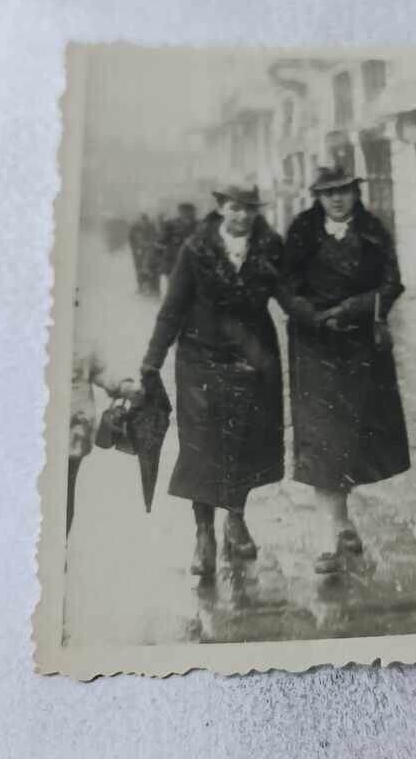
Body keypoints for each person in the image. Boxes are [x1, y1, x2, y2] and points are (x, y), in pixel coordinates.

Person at [140, 184, 284, 575]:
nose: (242, 216)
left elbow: (291, 296)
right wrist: (152, 360)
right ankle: (204, 535)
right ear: (221, 209)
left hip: (252, 357)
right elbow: (172, 310)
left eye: (249, 209)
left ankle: (235, 518)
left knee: (245, 442)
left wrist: (327, 321)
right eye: (235, 208)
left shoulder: (271, 248)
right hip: (200, 359)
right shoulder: (195, 250)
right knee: (202, 448)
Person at [279, 162, 410, 572]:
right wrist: (312, 316)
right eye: (328, 192)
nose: (337, 199)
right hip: (315, 347)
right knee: (323, 440)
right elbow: (284, 285)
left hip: (360, 348)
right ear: (317, 197)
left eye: (344, 190)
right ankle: (326, 537)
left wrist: (354, 307)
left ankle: (341, 519)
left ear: (355, 192)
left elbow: (392, 283)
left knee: (351, 439)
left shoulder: (374, 229)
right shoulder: (301, 231)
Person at [68, 296, 141, 535]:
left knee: (65, 491)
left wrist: (124, 385)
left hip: (74, 430)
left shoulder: (82, 344)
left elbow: (102, 372)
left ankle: (60, 547)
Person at [162, 202, 198, 276]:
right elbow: (161, 241)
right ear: (180, 213)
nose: (186, 214)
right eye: (184, 212)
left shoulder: (199, 225)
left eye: (189, 212)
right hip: (175, 262)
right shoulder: (171, 225)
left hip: (193, 263)